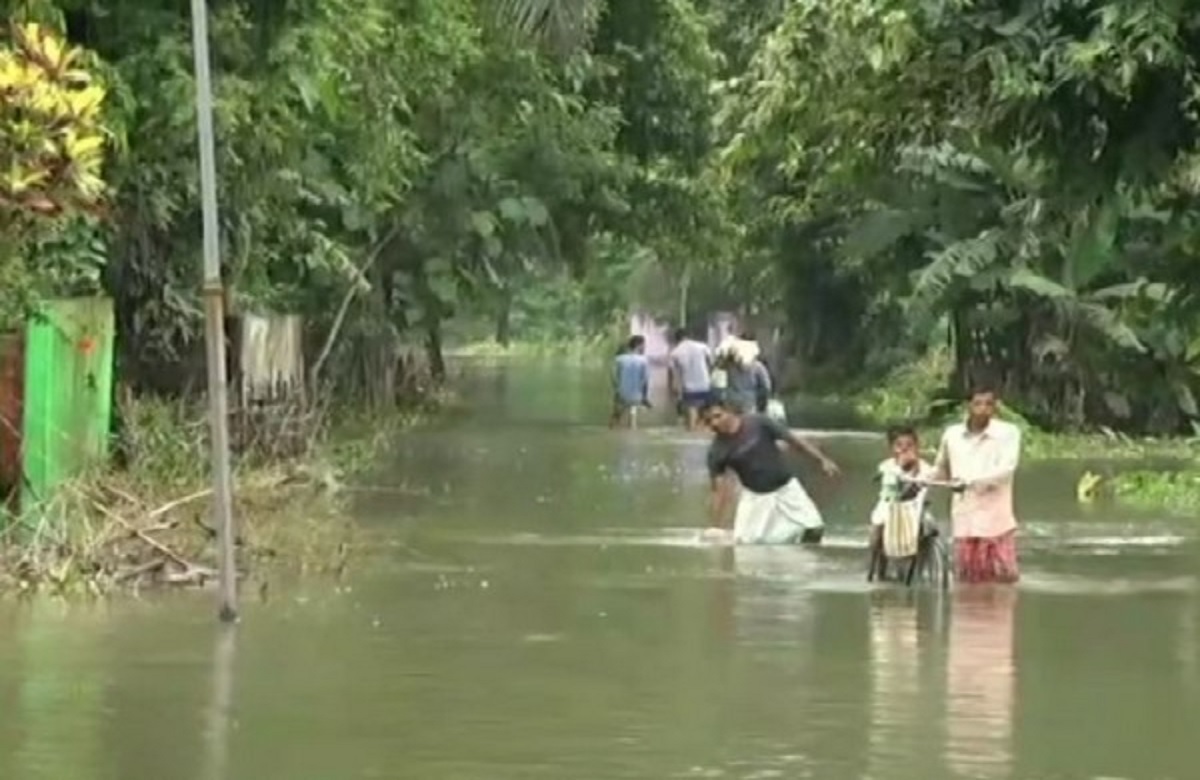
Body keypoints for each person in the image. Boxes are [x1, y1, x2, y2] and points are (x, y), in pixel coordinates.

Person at [701, 399, 840, 544]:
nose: (714, 423)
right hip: (756, 497)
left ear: (729, 411)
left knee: (815, 528)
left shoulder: (759, 423)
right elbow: (719, 491)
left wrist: (822, 460)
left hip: (786, 487)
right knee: (746, 545)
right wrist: (716, 525)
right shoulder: (717, 451)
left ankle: (803, 560)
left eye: (718, 416)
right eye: (709, 421)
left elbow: (793, 440)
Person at [933, 381, 1021, 583]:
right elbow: (940, 469)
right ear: (968, 406)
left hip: (996, 523)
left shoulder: (1008, 433)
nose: (983, 410)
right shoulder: (952, 435)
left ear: (995, 407)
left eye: (988, 404)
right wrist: (916, 476)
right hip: (964, 521)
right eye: (978, 404)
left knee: (1003, 581)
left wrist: (971, 482)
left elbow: (1006, 469)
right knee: (965, 580)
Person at [868, 425, 937, 577]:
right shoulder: (887, 466)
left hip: (916, 508)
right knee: (876, 530)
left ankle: (920, 566)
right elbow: (894, 481)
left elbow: (926, 483)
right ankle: (880, 568)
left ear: (917, 446)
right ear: (891, 448)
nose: (905, 449)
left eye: (910, 445)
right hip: (889, 506)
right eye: (899, 445)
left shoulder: (926, 468)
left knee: (930, 527)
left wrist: (918, 473)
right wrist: (901, 466)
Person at [668, 327, 713, 430]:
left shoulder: (675, 352)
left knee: (692, 411)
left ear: (676, 339)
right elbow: (710, 363)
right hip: (705, 384)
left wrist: (674, 387)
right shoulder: (702, 346)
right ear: (689, 336)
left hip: (689, 387)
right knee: (706, 413)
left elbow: (673, 373)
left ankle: (692, 432)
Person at [610, 335, 650, 428]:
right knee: (633, 417)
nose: (644, 347)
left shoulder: (619, 359)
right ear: (638, 345)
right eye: (643, 345)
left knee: (616, 416)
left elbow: (612, 375)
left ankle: (611, 432)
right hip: (636, 395)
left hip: (621, 393)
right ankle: (632, 435)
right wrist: (644, 397)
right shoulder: (643, 360)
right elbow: (645, 379)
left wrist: (617, 388)